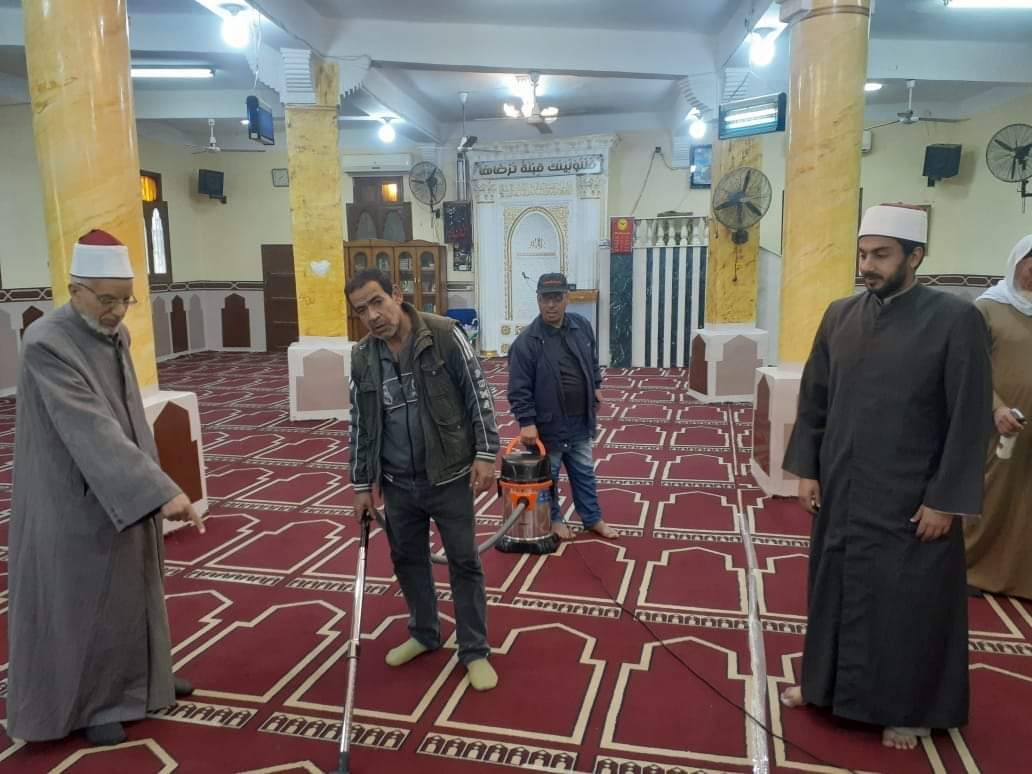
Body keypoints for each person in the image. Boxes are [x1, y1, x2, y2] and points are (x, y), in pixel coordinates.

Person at [779, 205, 993, 750]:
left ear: (915, 257)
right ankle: (822, 687)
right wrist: (808, 470)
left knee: (906, 605)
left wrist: (946, 500)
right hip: (843, 488)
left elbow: (969, 417)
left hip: (911, 497)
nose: (867, 266)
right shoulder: (840, 315)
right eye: (863, 254)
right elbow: (815, 398)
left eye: (881, 255)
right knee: (834, 589)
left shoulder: (955, 320)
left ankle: (908, 709)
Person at [7, 230, 205, 746]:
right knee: (86, 599)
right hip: (72, 494)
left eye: (125, 300)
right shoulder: (47, 342)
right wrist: (158, 490)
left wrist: (149, 479)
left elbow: (128, 416)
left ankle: (147, 683)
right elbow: (89, 428)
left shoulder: (113, 334)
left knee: (134, 588)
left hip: (122, 484)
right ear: (75, 290)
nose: (117, 311)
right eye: (106, 299)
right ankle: (93, 705)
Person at [347, 268, 500, 691]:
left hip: (449, 476)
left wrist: (486, 453)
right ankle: (425, 632)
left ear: (397, 294)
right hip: (398, 483)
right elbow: (360, 424)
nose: (373, 316)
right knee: (408, 561)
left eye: (377, 302)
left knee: (464, 562)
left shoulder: (445, 335)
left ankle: (474, 650)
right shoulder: (362, 357)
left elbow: (478, 393)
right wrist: (361, 484)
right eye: (361, 310)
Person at [508, 272, 618, 541]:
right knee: (549, 477)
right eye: (545, 299)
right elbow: (519, 389)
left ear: (567, 298)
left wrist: (596, 384)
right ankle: (554, 520)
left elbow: (591, 360)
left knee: (584, 472)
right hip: (548, 424)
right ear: (538, 300)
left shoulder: (581, 326)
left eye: (557, 298)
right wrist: (526, 422)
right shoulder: (526, 342)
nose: (551, 305)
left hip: (581, 419)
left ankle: (592, 518)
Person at [965, 234, 1032, 599]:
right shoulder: (988, 307)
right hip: (1000, 420)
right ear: (1017, 263)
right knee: (992, 493)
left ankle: (1020, 577)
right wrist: (996, 408)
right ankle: (969, 567)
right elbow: (972, 368)